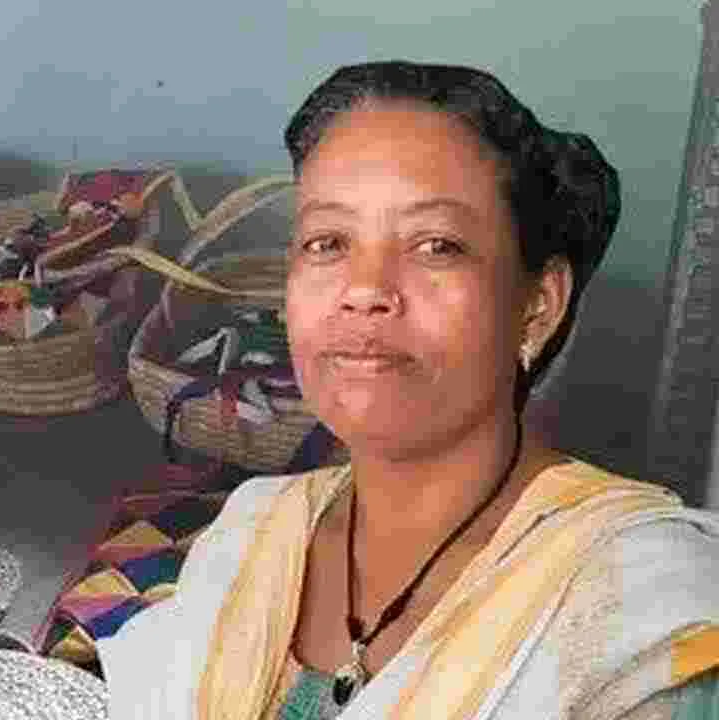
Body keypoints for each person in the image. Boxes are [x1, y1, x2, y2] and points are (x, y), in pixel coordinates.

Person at [97, 61, 719, 720]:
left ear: (537, 306)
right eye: (327, 242)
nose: (365, 290)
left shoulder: (639, 608)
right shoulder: (251, 537)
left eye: (436, 245)